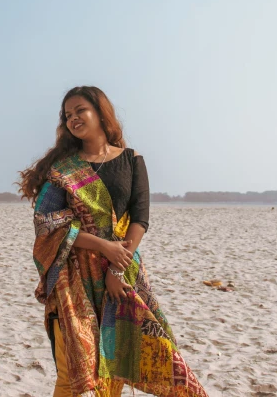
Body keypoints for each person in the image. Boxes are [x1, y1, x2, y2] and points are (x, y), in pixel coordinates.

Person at [18, 86, 209, 397]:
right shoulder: (63, 170)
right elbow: (46, 225)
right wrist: (103, 246)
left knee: (114, 367)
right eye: (68, 115)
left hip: (121, 271)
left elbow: (140, 218)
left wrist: (117, 268)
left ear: (100, 113)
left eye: (80, 110)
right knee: (71, 370)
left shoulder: (132, 161)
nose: (74, 118)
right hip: (72, 274)